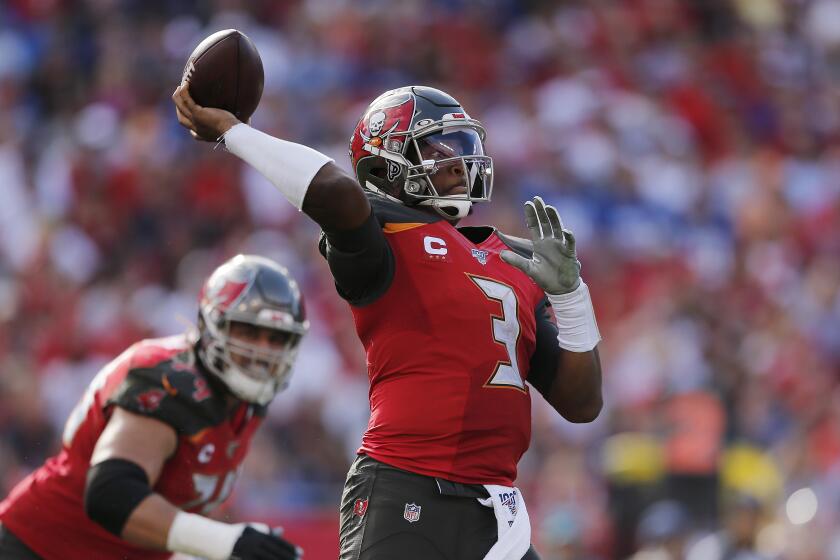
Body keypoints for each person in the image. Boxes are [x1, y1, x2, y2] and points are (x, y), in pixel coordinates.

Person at [173, 84, 603, 560]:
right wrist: (235, 132)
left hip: (496, 508)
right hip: (406, 487)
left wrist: (572, 297)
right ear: (384, 165)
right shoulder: (385, 235)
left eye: (464, 148)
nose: (460, 163)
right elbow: (336, 195)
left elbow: (581, 403)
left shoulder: (512, 263)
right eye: (440, 149)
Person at [0, 255, 307, 560]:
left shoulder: (245, 405)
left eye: (276, 338)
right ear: (211, 324)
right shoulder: (169, 382)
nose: (262, 351)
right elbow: (112, 494)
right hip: (39, 549)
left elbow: (172, 514)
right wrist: (226, 542)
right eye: (249, 332)